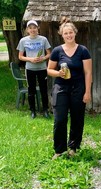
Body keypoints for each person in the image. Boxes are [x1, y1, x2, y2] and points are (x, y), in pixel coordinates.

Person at [47, 17, 92, 160]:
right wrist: (58, 73)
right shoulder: (56, 51)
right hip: (61, 87)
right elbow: (49, 70)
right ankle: (59, 150)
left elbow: (88, 72)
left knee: (77, 118)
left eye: (70, 32)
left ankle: (73, 147)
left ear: (75, 33)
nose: (68, 35)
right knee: (60, 119)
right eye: (65, 33)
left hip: (78, 88)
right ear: (62, 34)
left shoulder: (83, 50)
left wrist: (87, 92)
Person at [17, 20, 51, 119]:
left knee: (44, 90)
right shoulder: (23, 41)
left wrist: (43, 58)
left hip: (42, 68)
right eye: (30, 28)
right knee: (31, 90)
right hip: (30, 69)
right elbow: (20, 57)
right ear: (27, 30)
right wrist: (31, 59)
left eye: (34, 27)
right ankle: (32, 111)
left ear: (38, 28)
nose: (33, 30)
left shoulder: (43, 39)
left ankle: (45, 110)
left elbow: (49, 53)